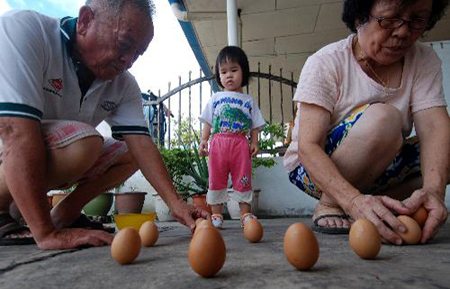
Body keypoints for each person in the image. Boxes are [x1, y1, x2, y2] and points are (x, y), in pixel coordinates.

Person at [0, 0, 209, 250]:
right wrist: (45, 234)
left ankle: (64, 214)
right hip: (9, 149)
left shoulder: (123, 84)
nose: (128, 60)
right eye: (124, 45)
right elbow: (14, 132)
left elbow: (141, 145)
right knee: (83, 141)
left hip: (29, 160)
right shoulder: (25, 31)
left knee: (129, 152)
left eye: (138, 53)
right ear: (86, 20)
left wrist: (177, 204)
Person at [284, 0, 449, 244]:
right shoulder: (326, 62)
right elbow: (308, 146)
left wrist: (435, 192)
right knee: (385, 119)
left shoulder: (423, 60)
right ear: (360, 17)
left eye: (417, 20)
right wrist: (351, 201)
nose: (403, 31)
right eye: (390, 19)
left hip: (381, 166)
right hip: (314, 169)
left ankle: (385, 206)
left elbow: (435, 127)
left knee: (445, 147)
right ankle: (331, 204)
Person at [198, 46, 266, 229]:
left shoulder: (248, 101)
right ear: (219, 76)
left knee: (243, 178)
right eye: (224, 71)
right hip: (218, 143)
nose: (229, 75)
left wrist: (255, 142)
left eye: (234, 70)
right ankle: (217, 215)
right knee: (216, 179)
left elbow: (254, 125)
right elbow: (207, 121)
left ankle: (245, 214)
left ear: (243, 72)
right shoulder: (215, 98)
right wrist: (204, 140)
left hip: (240, 145)